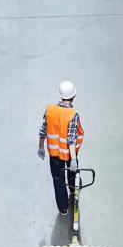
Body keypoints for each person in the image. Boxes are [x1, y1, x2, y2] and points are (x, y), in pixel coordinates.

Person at [38, 81, 84, 215]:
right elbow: (71, 140)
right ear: (73, 97)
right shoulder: (72, 114)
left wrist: (41, 147)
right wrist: (74, 160)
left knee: (58, 181)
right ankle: (74, 192)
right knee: (72, 174)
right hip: (69, 155)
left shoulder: (49, 110)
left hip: (54, 154)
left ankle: (63, 208)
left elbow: (43, 130)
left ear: (60, 96)